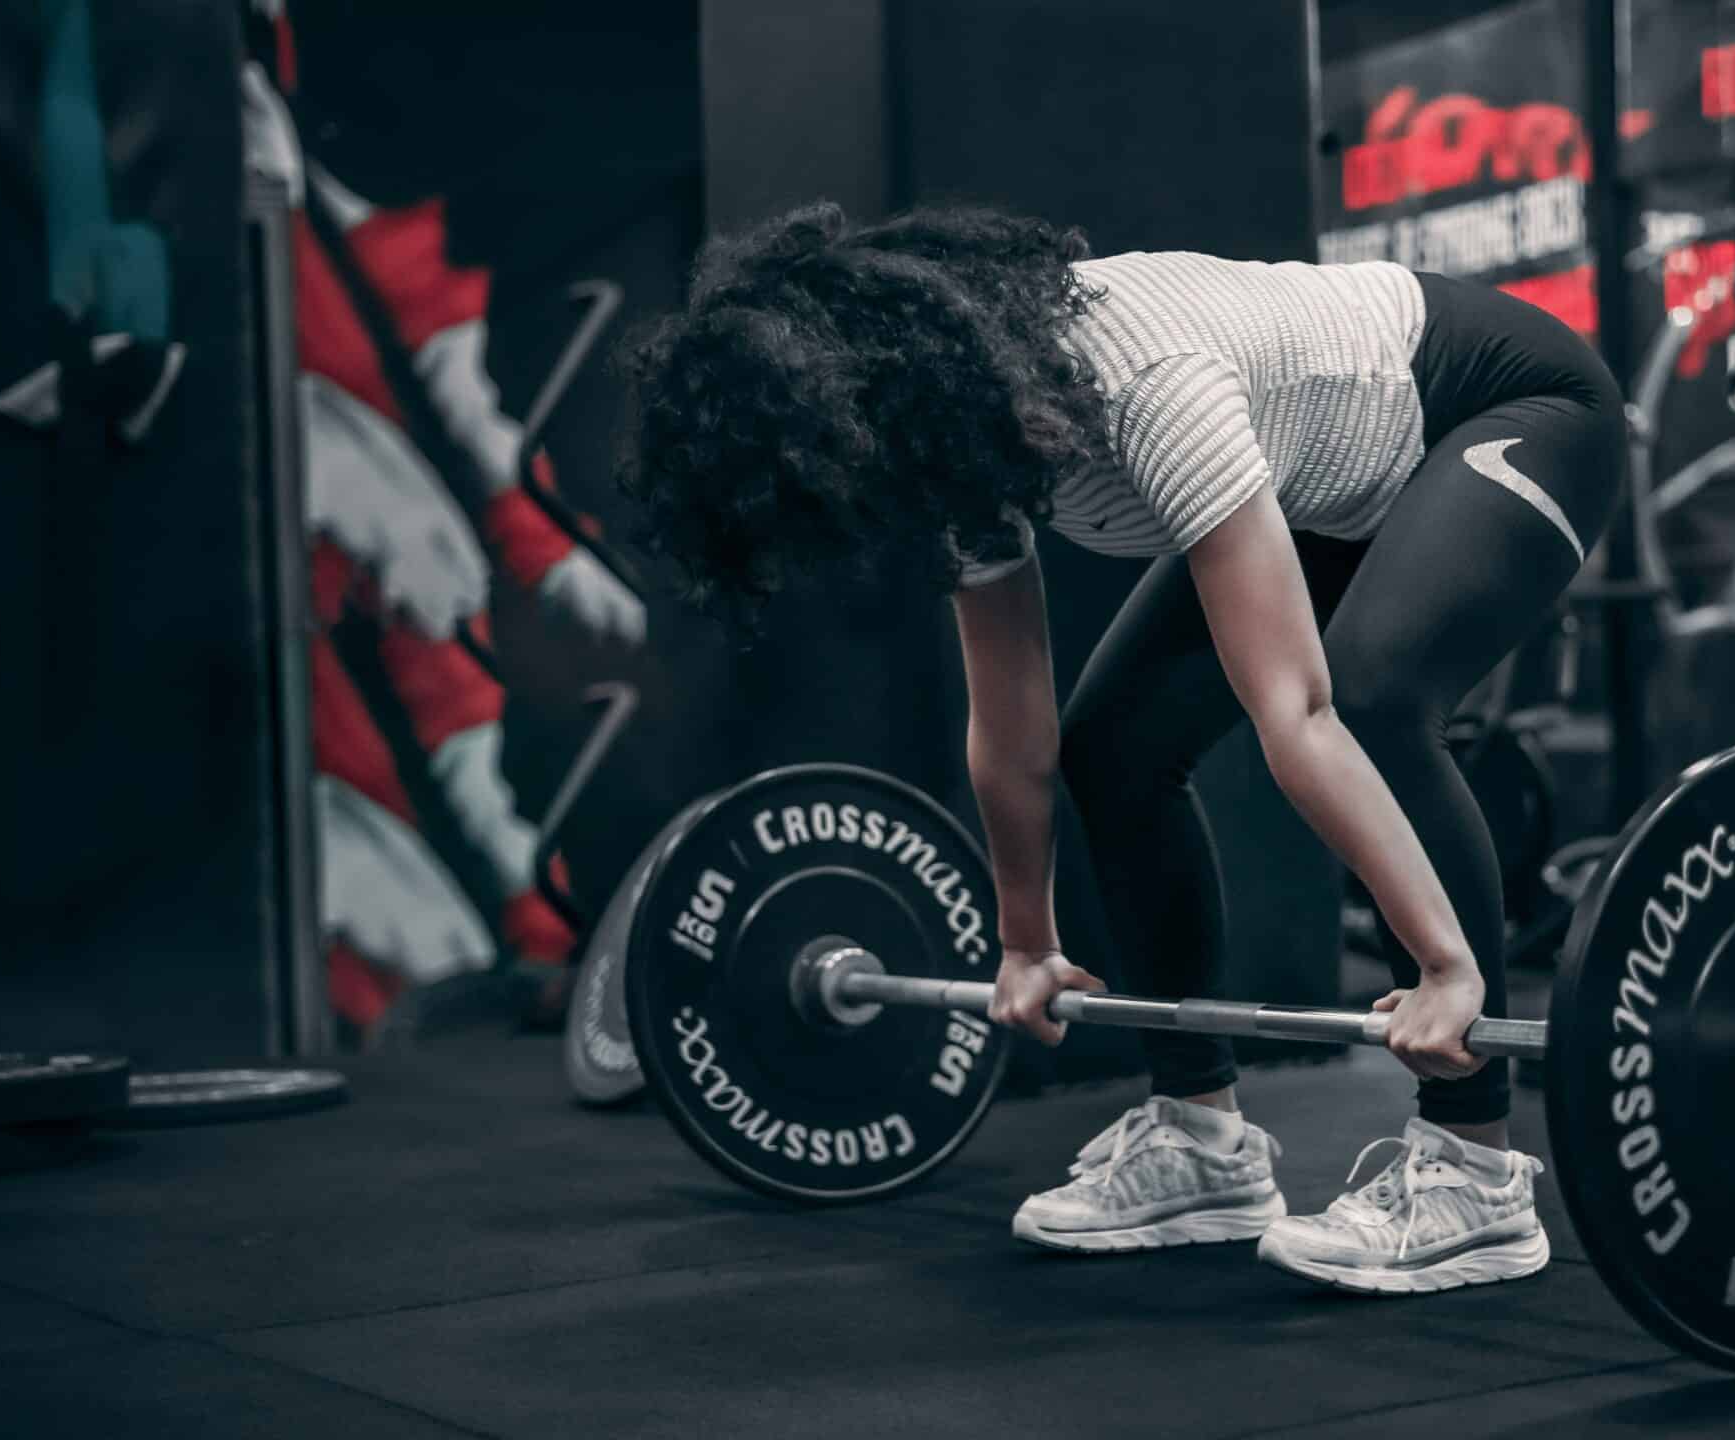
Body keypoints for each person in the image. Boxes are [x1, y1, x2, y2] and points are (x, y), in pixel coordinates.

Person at [619, 203, 1622, 1294]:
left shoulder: (1147, 385)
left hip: (1513, 409)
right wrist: (1022, 941)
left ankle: (1475, 1167)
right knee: (1116, 747)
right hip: (1340, 483)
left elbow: (1297, 711)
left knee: (1375, 701)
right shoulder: (961, 455)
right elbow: (1013, 728)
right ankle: (1202, 1142)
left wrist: (1447, 966)